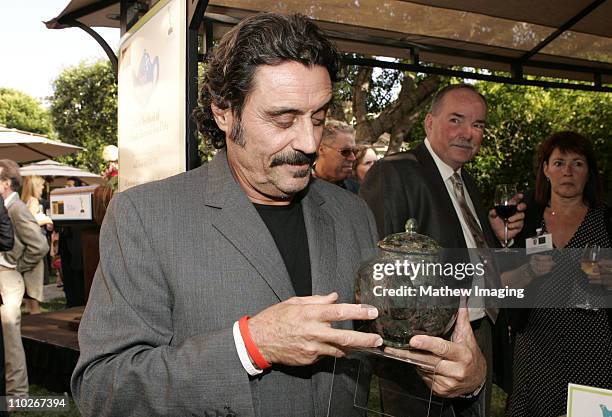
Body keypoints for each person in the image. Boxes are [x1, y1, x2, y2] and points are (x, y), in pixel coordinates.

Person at [72, 13, 486, 417]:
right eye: (282, 119)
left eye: (319, 118)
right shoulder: (145, 216)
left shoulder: (352, 213)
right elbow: (103, 389)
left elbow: (378, 356)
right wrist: (251, 346)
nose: (308, 142)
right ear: (224, 111)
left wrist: (461, 375)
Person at [360, 83, 526, 416]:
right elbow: (378, 270)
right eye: (456, 120)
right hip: (423, 354)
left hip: (478, 335)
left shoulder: (465, 181)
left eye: (478, 125)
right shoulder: (395, 171)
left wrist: (494, 237)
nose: (468, 132)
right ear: (429, 123)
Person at [505, 131, 612, 417]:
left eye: (578, 163)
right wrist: (528, 270)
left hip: (596, 349)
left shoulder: (607, 220)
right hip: (537, 345)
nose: (568, 171)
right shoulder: (523, 221)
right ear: (545, 169)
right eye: (559, 162)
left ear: (588, 172)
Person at [0, 159, 49, 399]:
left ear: (6, 183)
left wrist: (16, 266)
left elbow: (40, 245)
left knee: (10, 337)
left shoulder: (16, 208)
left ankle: (18, 395)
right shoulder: (8, 206)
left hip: (9, 278)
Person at [20, 175, 53, 315]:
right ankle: (35, 315)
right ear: (34, 186)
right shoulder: (33, 201)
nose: (43, 188)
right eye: (40, 185)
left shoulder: (25, 202)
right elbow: (30, 224)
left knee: (29, 287)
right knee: (34, 287)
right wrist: (46, 219)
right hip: (35, 248)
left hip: (26, 248)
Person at [56, 176, 84, 307]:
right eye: (66, 186)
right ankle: (71, 302)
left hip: (78, 251)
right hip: (66, 251)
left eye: (70, 186)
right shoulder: (63, 205)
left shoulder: (81, 205)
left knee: (78, 281)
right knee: (69, 280)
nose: (66, 188)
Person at [312, 119, 358, 189]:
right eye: (345, 151)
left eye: (354, 151)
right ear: (321, 149)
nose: (353, 158)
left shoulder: (358, 190)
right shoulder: (299, 188)